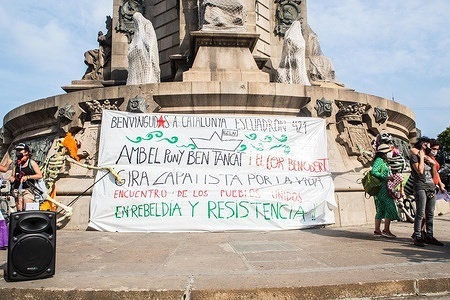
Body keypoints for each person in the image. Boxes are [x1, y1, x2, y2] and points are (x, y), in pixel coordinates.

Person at [410, 137, 443, 247]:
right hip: (420, 186)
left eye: (428, 145)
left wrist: (432, 164)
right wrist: (423, 158)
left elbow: (434, 174)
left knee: (430, 213)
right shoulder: (415, 157)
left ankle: (429, 235)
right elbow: (419, 171)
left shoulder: (429, 158)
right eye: (425, 145)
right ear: (420, 145)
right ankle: (417, 236)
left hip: (430, 186)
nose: (428, 147)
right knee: (420, 212)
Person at [371, 143, 399, 238]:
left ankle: (377, 230)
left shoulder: (383, 161)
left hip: (382, 187)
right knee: (389, 207)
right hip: (382, 188)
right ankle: (386, 230)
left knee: (380, 209)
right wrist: (385, 177)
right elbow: (374, 171)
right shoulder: (379, 160)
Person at [9, 143, 43, 212]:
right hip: (17, 190)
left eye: (20, 150)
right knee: (19, 210)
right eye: (17, 151)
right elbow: (12, 176)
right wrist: (12, 179)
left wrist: (27, 177)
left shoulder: (31, 163)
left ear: (26, 152)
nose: (18, 153)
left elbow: (39, 175)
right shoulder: (16, 164)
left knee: (28, 208)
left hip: (28, 190)